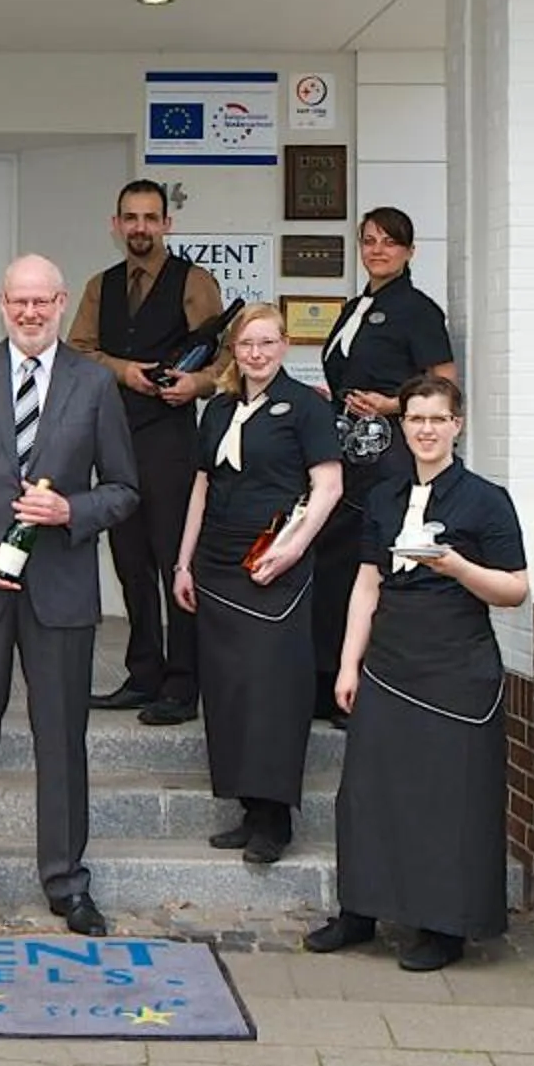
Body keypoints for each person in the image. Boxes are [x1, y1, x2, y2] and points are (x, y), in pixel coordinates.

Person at [0, 255, 138, 936]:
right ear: (2, 305)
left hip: (60, 589)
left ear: (62, 303)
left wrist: (72, 512)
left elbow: (124, 489)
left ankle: (67, 884)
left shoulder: (95, 384)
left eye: (43, 302)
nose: (31, 313)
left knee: (62, 740)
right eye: (19, 302)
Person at [308, 373, 527, 972]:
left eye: (437, 419)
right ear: (401, 425)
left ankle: (443, 926)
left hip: (455, 662)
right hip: (391, 657)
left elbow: (514, 589)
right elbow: (366, 581)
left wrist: (459, 568)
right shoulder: (383, 495)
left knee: (446, 799)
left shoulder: (486, 500)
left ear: (457, 425)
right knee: (369, 794)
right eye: (415, 419)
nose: (425, 430)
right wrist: (349, 661)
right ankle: (360, 911)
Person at [173, 303, 341, 862]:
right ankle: (248, 809)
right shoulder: (218, 409)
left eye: (268, 343)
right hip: (217, 563)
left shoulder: (306, 409)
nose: (257, 353)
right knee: (228, 689)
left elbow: (329, 488)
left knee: (272, 689)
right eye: (248, 344)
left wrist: (292, 550)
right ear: (235, 350)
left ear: (285, 345)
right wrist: (183, 562)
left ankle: (276, 821)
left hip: (273, 562)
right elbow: (199, 489)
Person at [70, 179, 222, 725]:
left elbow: (226, 357)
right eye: (130, 218)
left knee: (172, 558)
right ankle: (143, 673)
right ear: (116, 225)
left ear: (166, 224)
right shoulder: (99, 286)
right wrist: (124, 371)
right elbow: (80, 350)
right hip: (114, 433)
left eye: (150, 218)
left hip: (171, 437)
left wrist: (196, 386)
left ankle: (183, 682)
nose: (140, 227)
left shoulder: (193, 281)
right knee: (129, 559)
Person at [309, 207, 456, 723]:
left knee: (372, 565)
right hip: (345, 451)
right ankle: (328, 680)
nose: (377, 250)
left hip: (388, 455)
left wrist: (394, 404)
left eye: (390, 242)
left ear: (410, 251)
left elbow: (445, 385)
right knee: (332, 563)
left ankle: (368, 686)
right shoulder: (356, 305)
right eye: (369, 240)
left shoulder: (417, 309)